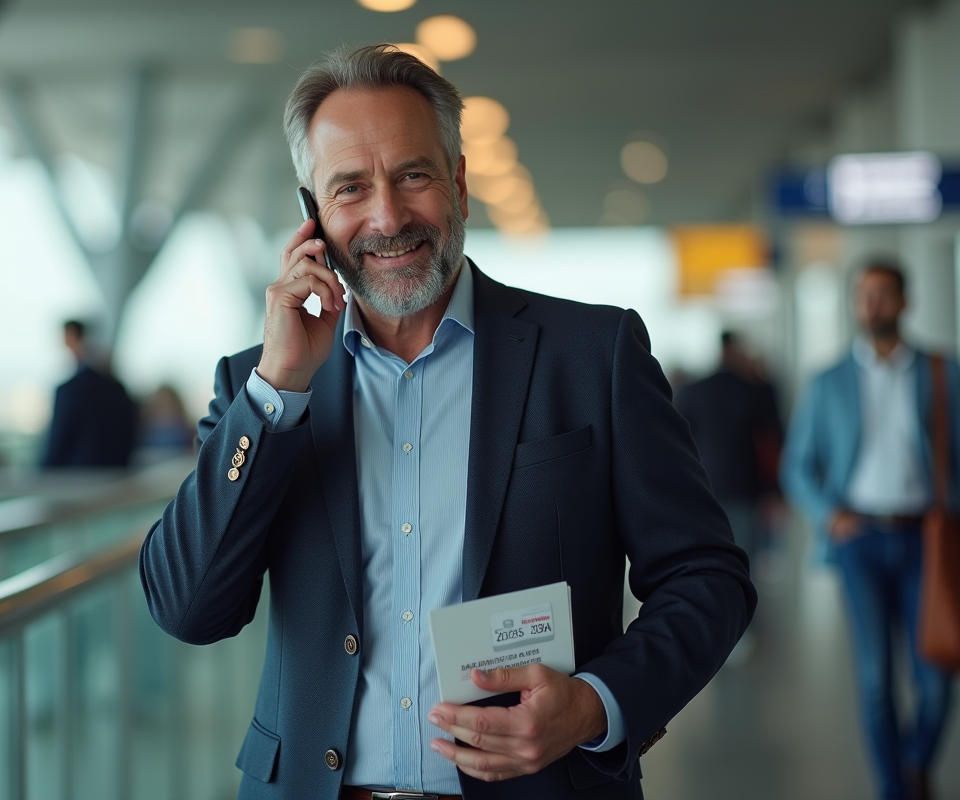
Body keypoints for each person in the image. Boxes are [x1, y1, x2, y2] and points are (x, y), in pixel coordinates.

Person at [139, 45, 755, 800]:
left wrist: (594, 705)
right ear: (313, 215)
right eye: (351, 188)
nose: (388, 216)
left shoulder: (592, 356)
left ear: (459, 183)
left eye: (413, 175)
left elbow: (706, 577)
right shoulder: (259, 385)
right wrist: (278, 390)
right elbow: (189, 608)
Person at [782, 260, 960, 800]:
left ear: (905, 301)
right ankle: (896, 789)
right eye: (862, 294)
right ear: (853, 303)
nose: (872, 305)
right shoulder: (827, 381)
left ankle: (915, 763)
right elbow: (797, 466)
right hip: (860, 543)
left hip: (928, 541)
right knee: (875, 681)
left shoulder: (940, 371)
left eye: (883, 294)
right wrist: (828, 513)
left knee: (937, 678)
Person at [675, 331, 784, 569]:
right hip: (746, 490)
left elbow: (676, 444)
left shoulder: (691, 392)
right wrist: (776, 492)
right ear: (736, 349)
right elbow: (773, 442)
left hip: (703, 488)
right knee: (742, 562)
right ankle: (741, 605)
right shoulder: (757, 390)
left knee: (707, 561)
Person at [40, 320, 137, 469]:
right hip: (116, 476)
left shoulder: (70, 390)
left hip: (78, 480)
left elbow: (58, 441)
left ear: (70, 337)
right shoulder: (117, 388)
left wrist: (41, 472)